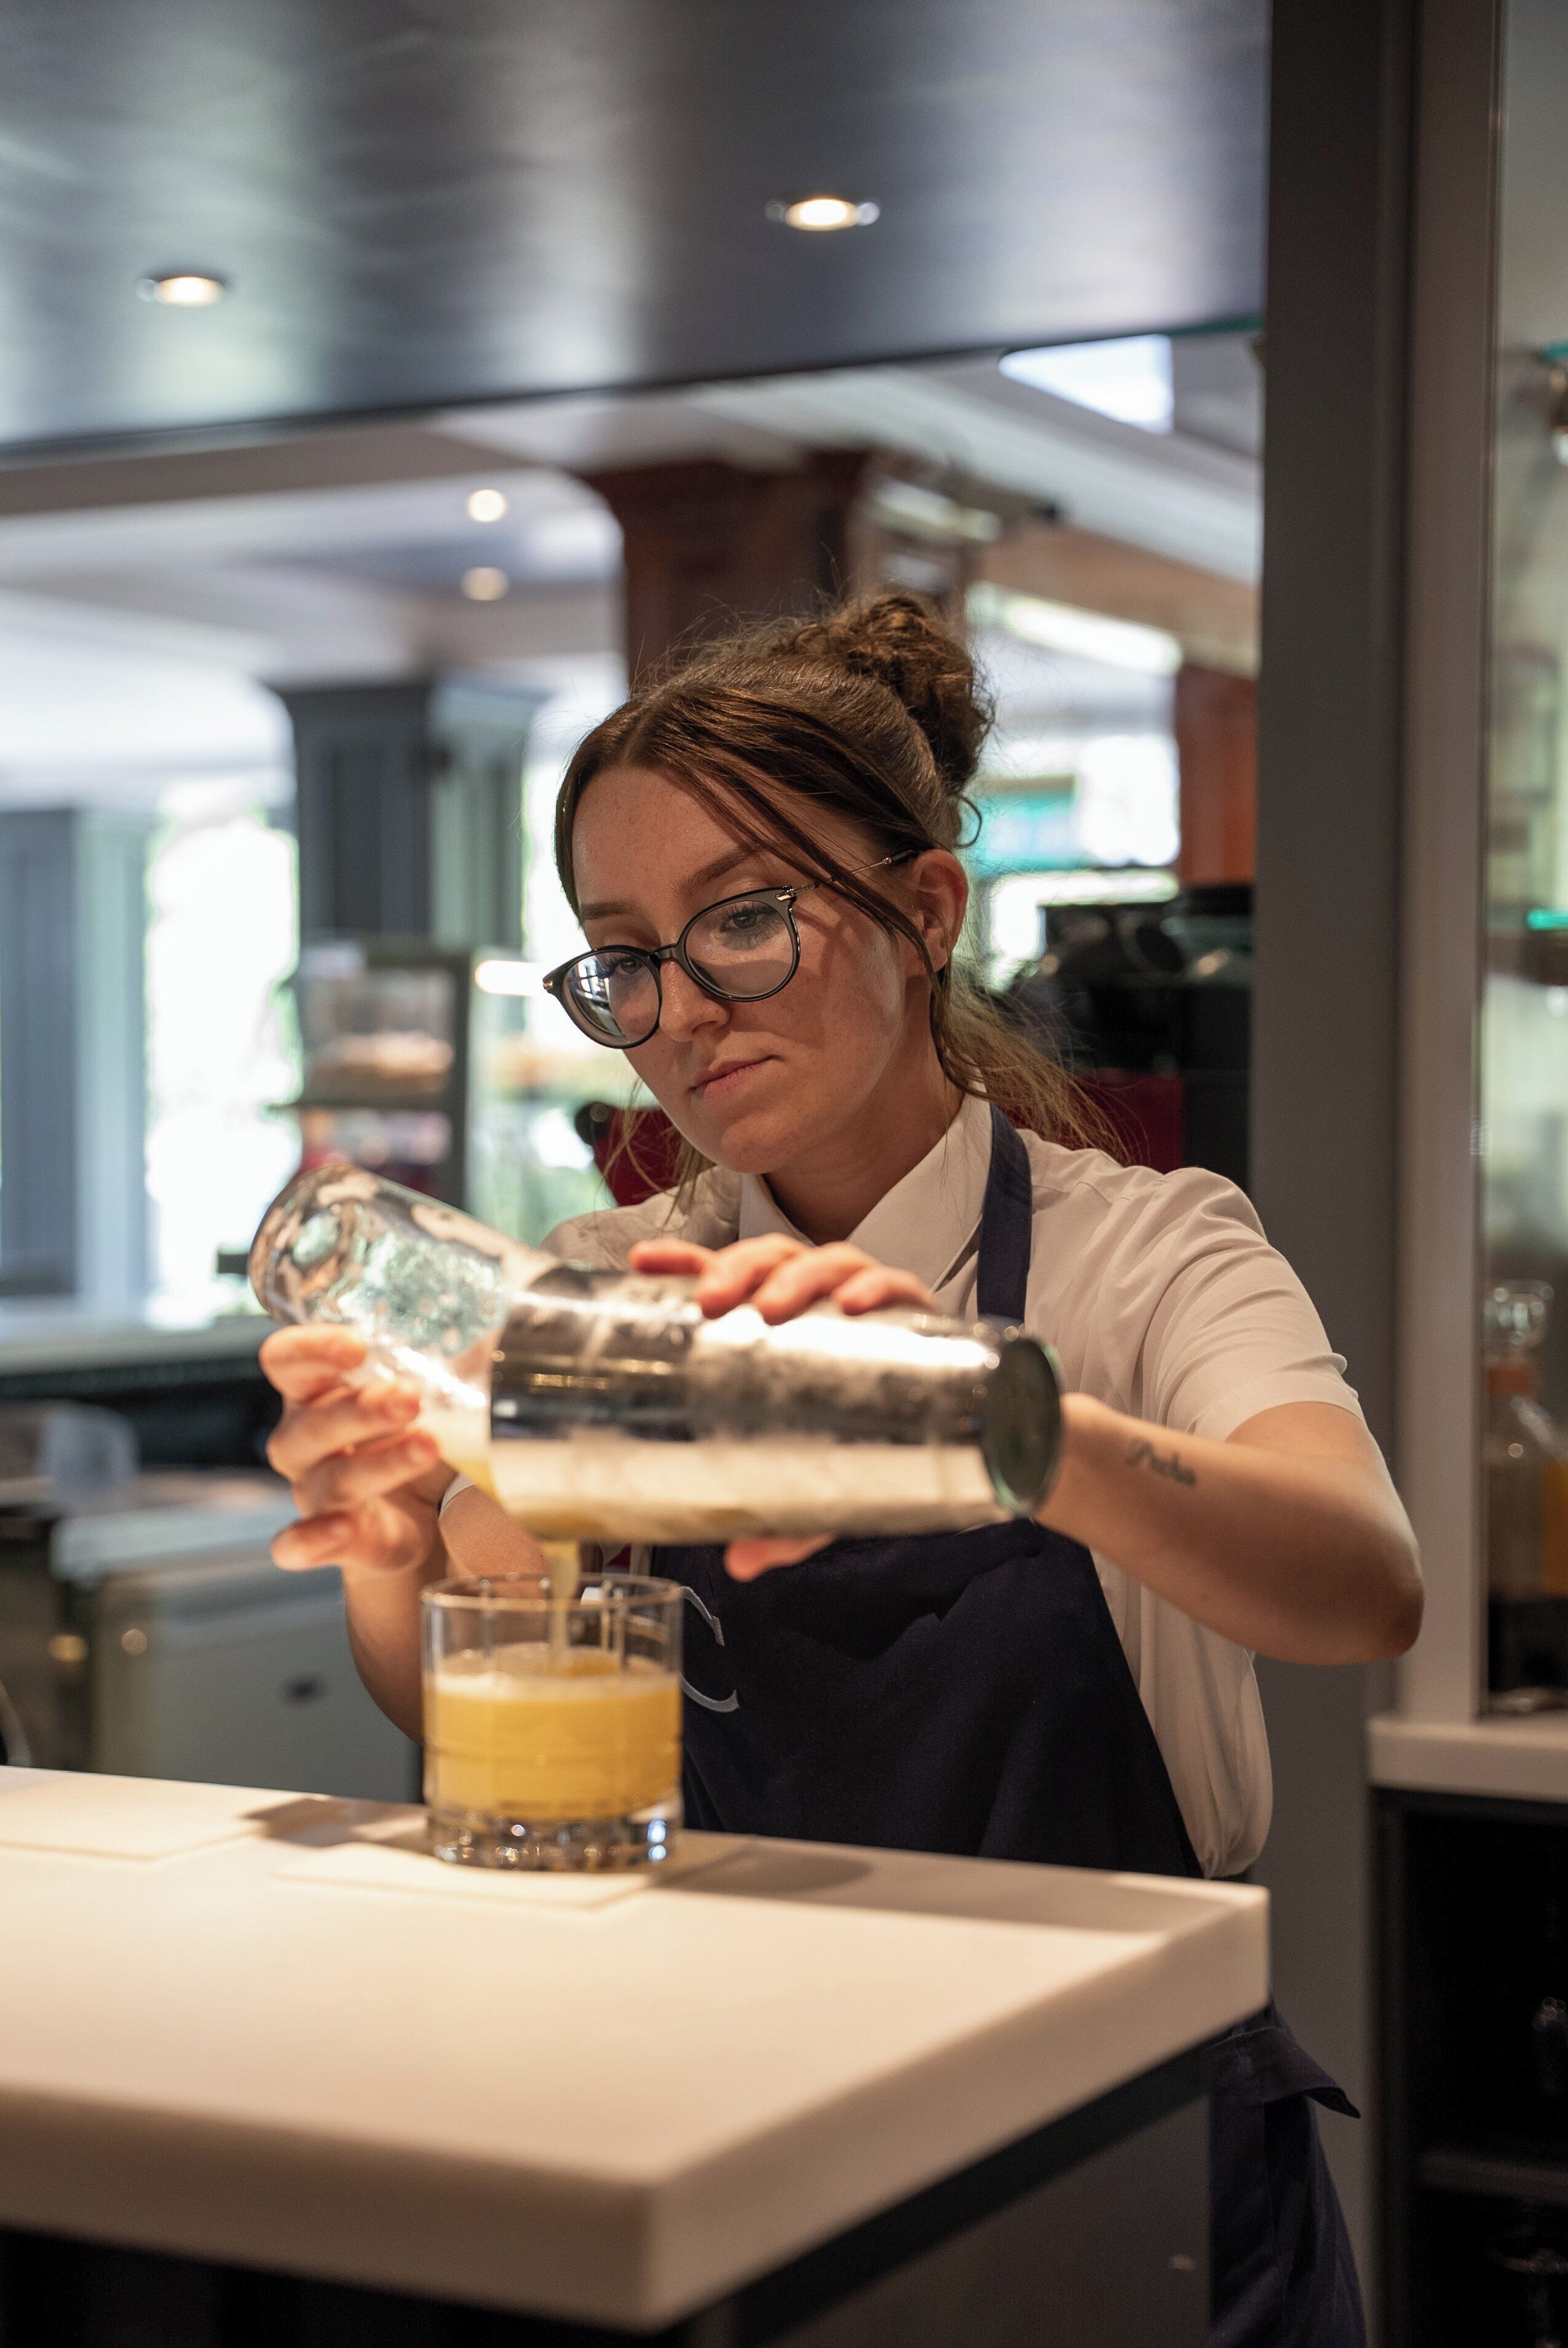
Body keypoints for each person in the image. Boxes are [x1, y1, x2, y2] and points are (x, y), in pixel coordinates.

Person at [261, 591, 1420, 2347]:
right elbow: (467, 1683)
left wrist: (1000, 1418)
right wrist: (389, 1546)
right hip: (742, 2127)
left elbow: (1361, 1582)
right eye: (626, 958)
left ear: (926, 909)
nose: (679, 1012)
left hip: (1120, 2175)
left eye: (744, 921)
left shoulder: (1147, 1253)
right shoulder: (603, 1282)